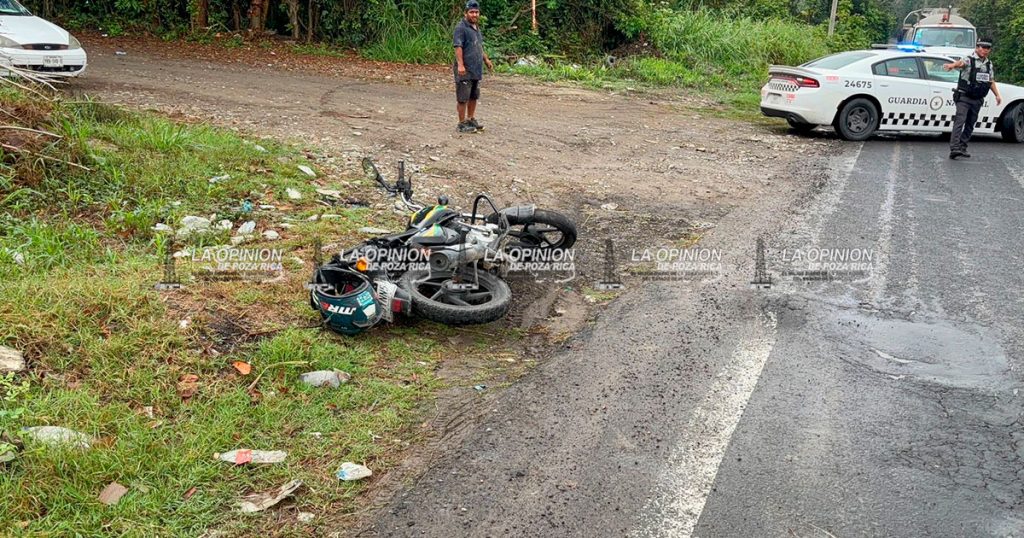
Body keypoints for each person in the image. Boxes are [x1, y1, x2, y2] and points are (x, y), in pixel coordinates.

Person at [944, 38, 1003, 159]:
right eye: (982, 47)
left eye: (987, 48)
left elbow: (990, 81)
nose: (984, 50)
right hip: (964, 97)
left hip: (977, 99)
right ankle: (954, 148)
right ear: (977, 47)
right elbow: (961, 63)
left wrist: (997, 95)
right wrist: (952, 65)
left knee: (970, 124)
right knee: (960, 121)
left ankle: (962, 147)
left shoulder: (988, 64)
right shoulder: (969, 59)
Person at [453, 0, 493, 134]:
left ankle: (470, 119)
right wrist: (460, 65)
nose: (474, 14)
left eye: (476, 12)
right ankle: (461, 123)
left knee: (473, 96)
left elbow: (479, 46)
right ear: (466, 13)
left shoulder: (476, 28)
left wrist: (486, 60)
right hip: (465, 68)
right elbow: (458, 47)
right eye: (471, 12)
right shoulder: (461, 28)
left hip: (476, 68)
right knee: (463, 97)